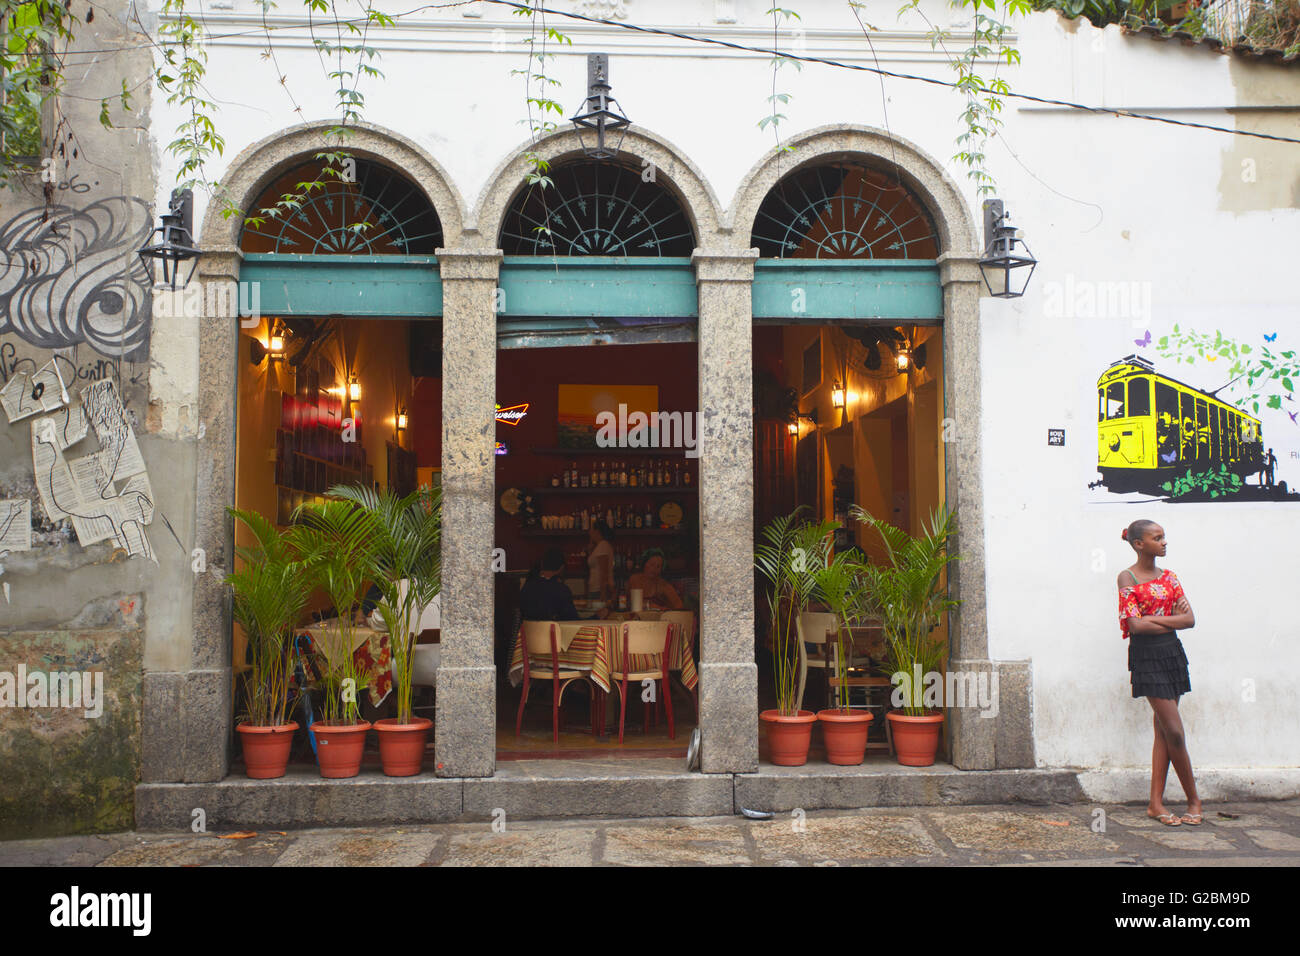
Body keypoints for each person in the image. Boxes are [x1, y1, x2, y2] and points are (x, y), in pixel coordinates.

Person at [1117, 519, 1201, 827]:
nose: (1164, 542)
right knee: (1175, 731)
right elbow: (1135, 625)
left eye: (1164, 537)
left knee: (1164, 731)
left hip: (1171, 654)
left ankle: (1155, 803)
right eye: (1157, 538)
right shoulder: (1127, 576)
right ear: (1139, 544)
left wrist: (1153, 618)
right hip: (1146, 656)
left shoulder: (1170, 576)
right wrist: (1168, 618)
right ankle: (1194, 800)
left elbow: (1190, 619)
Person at [519, 548, 580, 622]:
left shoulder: (527, 587)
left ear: (542, 564)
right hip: (553, 631)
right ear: (561, 568)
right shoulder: (562, 590)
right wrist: (596, 616)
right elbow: (573, 621)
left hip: (529, 632)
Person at [587, 520, 614, 603]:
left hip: (599, 590)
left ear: (597, 531)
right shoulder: (600, 546)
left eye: (591, 530)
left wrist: (603, 594)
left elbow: (604, 572)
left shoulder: (603, 546)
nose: (589, 532)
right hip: (596, 589)